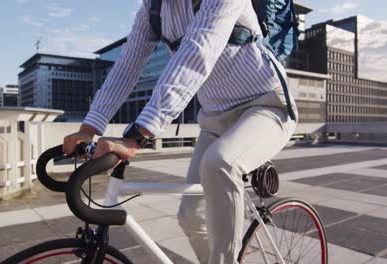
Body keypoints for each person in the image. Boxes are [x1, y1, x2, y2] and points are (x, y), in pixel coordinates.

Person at [63, 0, 298, 263]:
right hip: (214, 120)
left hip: (266, 106)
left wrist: (137, 136)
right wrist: (89, 128)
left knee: (220, 163)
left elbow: (197, 54)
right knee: (190, 218)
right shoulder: (154, 9)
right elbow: (127, 64)